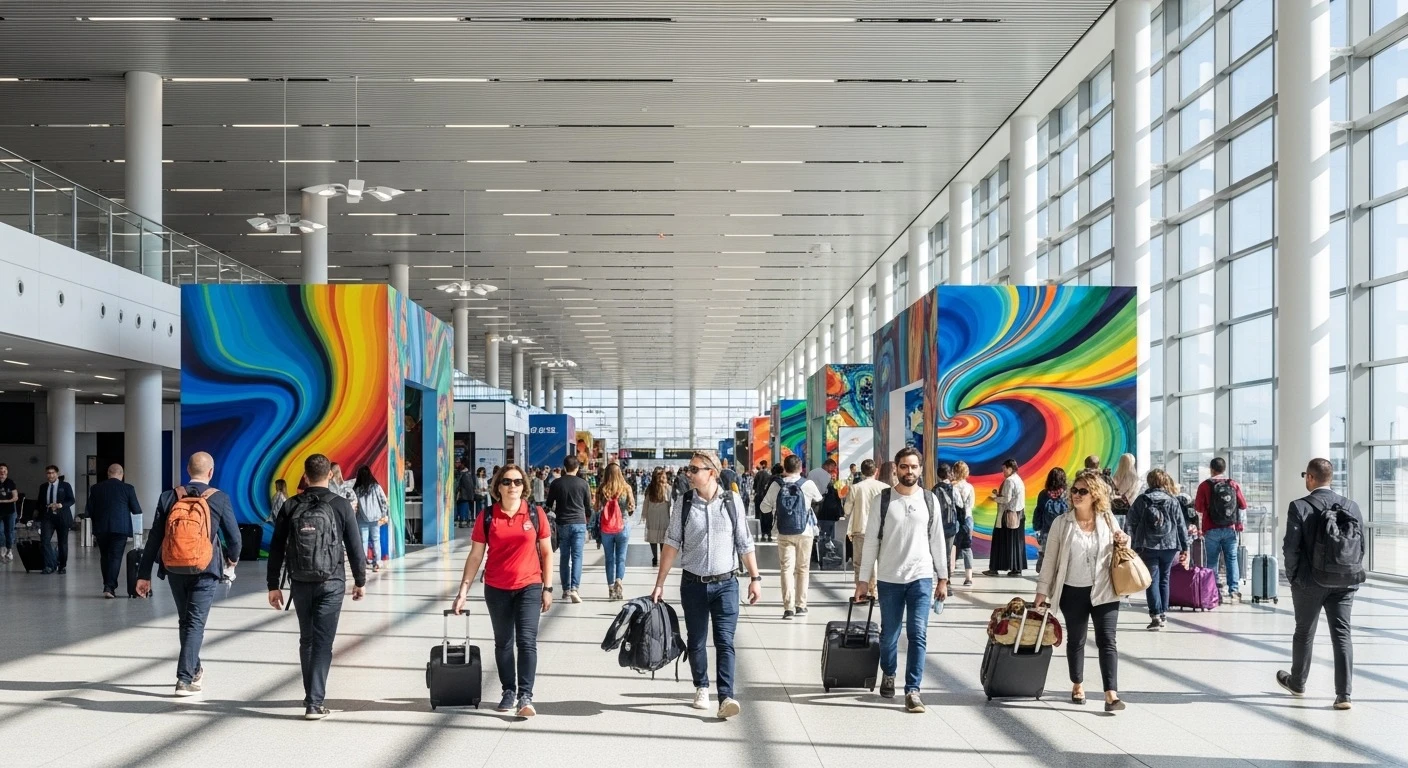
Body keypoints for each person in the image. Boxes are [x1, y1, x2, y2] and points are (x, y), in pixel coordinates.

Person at [650, 450, 760, 720]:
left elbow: (744, 542)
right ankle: (701, 686)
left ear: (711, 472)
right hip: (693, 584)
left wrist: (755, 578)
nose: (689, 474)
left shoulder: (732, 501)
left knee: (725, 641)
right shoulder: (684, 503)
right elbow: (672, 542)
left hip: (726, 584)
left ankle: (726, 696)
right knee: (696, 640)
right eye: (689, 469)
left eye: (694, 469)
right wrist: (660, 583)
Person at [266, 454, 367, 720]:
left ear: (305, 475)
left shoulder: (290, 505)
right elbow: (355, 547)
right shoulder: (341, 505)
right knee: (323, 643)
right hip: (331, 582)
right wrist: (360, 581)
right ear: (330, 475)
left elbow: (276, 548)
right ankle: (315, 702)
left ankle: (311, 695)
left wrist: (273, 585)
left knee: (307, 639)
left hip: (300, 581)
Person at [136, 452, 242, 696]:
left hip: (174, 568)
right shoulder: (219, 499)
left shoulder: (168, 497)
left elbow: (154, 539)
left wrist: (144, 575)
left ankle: (194, 670)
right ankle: (184, 679)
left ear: (187, 469)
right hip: (206, 569)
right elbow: (234, 538)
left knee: (186, 620)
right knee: (194, 622)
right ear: (211, 472)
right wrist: (232, 560)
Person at [451, 463, 552, 717]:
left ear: (524, 486)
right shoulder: (487, 516)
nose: (512, 486)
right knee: (503, 643)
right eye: (507, 482)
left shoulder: (535, 514)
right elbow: (475, 555)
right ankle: (508, 689)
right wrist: (463, 590)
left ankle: (525, 695)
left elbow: (547, 552)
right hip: (496, 587)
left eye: (517, 482)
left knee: (527, 642)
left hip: (529, 584)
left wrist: (548, 587)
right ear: (498, 486)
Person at [854, 447, 949, 713]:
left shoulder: (930, 500)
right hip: (889, 578)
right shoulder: (883, 500)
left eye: (914, 467)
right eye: (904, 467)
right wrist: (863, 580)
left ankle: (913, 690)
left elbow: (937, 540)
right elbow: (871, 541)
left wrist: (943, 577)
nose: (909, 472)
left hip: (921, 577)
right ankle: (889, 672)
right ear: (896, 468)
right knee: (889, 635)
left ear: (920, 468)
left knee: (917, 633)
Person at [1035, 469, 1130, 713]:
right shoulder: (1062, 523)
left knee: (1107, 640)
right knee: (1076, 640)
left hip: (1105, 589)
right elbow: (1050, 560)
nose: (1076, 495)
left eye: (1083, 491)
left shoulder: (1107, 519)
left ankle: (1111, 694)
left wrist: (1122, 540)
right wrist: (1042, 593)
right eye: (1074, 491)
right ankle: (1077, 684)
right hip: (1072, 590)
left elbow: (1122, 545)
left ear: (1095, 495)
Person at [1277, 458, 1366, 711]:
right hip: (1345, 581)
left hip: (1309, 581)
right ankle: (1344, 694)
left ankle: (1298, 683)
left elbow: (1291, 548)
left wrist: (1293, 577)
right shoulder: (1351, 506)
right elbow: (1361, 546)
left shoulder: (1300, 506)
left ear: (1311, 478)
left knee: (1304, 632)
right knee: (1342, 634)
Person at [760, 454, 823, 620]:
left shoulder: (776, 485)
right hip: (805, 532)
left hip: (783, 532)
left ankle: (788, 608)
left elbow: (764, 507)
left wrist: (776, 509)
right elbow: (819, 498)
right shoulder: (807, 484)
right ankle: (801, 605)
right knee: (802, 569)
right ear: (801, 467)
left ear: (784, 468)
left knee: (786, 569)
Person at [1128, 469, 1190, 630]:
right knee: (1165, 578)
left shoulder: (1142, 500)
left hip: (1148, 545)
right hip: (1170, 545)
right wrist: (1185, 547)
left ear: (1149, 481)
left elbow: (1131, 521)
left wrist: (1133, 542)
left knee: (1152, 579)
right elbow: (1181, 525)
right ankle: (1163, 613)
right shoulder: (1172, 500)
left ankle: (1155, 615)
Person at [1194, 456, 1249, 602]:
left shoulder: (1204, 486)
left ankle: (1215, 591)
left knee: (1212, 560)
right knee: (1231, 559)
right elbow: (1243, 505)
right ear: (1224, 469)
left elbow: (1198, 508)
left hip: (1211, 529)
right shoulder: (1232, 484)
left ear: (1211, 469)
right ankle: (1234, 591)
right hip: (1230, 528)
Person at [86, 463, 143, 598]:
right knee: (115, 557)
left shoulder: (95, 488)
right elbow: (137, 509)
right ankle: (109, 587)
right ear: (122, 475)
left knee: (105, 556)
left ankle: (108, 585)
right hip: (120, 528)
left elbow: (89, 511)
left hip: (101, 528)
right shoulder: (128, 488)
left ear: (108, 473)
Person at [545, 455, 593, 603]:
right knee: (577, 556)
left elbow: (548, 504)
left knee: (564, 556)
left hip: (562, 523)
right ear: (577, 467)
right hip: (579, 522)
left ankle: (565, 589)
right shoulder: (583, 484)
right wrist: (588, 521)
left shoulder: (556, 484)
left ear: (564, 468)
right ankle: (574, 588)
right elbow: (588, 507)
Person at [845, 459, 888, 601]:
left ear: (861, 472)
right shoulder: (885, 488)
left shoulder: (855, 488)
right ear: (876, 471)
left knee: (859, 562)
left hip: (860, 529)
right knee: (876, 561)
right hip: (880, 530)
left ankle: (861, 592)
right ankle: (873, 591)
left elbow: (847, 510)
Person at [595, 462, 636, 601]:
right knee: (621, 558)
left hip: (606, 528)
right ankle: (619, 580)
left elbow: (596, 508)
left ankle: (611, 587)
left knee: (609, 558)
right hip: (623, 527)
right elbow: (631, 508)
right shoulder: (626, 488)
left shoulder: (602, 489)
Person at [985, 459, 1028, 577]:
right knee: (1015, 543)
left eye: (1004, 469)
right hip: (1018, 515)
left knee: (999, 542)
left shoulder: (1009, 481)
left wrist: (994, 499)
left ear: (1010, 468)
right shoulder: (1019, 479)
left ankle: (994, 568)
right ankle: (1016, 568)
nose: (1003, 471)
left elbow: (1006, 499)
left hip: (1007, 516)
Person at [37, 464, 76, 574]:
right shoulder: (43, 487)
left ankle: (62, 566)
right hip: (48, 517)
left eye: (53, 473)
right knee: (45, 541)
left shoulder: (65, 485)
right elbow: (40, 502)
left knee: (62, 543)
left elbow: (71, 500)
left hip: (62, 517)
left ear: (57, 474)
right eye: (48, 473)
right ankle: (50, 565)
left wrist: (61, 505)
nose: (50, 475)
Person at [1032, 468, 1070, 575]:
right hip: (1063, 530)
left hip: (1046, 530)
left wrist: (1037, 527)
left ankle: (1044, 573)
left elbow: (1038, 512)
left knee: (1045, 554)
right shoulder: (1067, 495)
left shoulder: (1043, 494)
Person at [353, 465, 389, 572]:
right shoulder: (376, 487)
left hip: (361, 518)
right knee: (376, 539)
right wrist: (383, 513)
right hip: (375, 517)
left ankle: (363, 564)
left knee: (363, 541)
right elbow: (383, 501)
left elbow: (354, 504)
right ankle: (377, 562)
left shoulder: (356, 489)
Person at [951, 461, 977, 586]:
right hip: (967, 518)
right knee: (967, 548)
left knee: (952, 546)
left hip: (954, 519)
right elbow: (971, 505)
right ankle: (968, 578)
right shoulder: (970, 487)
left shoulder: (952, 487)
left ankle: (948, 576)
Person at [642, 468, 672, 567]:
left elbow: (646, 502)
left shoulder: (650, 488)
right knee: (663, 538)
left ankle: (655, 557)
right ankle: (663, 557)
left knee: (653, 537)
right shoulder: (668, 488)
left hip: (652, 515)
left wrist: (644, 515)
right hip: (663, 515)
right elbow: (670, 503)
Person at [1110, 453, 1141, 529]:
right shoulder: (1135, 478)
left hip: (1113, 508)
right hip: (1128, 510)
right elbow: (1131, 496)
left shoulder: (1114, 476)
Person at [752, 461, 775, 541]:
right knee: (768, 516)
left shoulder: (758, 474)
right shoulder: (769, 476)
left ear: (762, 465)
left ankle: (762, 533)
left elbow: (754, 487)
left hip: (759, 497)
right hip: (767, 498)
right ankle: (769, 533)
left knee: (760, 516)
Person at [0, 463, 17, 564]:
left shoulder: (10, 482)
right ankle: (2, 548)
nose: (2, 471)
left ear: (7, 472)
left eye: (4, 469)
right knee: (0, 531)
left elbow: (15, 497)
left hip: (9, 511)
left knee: (9, 531)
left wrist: (3, 501)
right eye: (0, 469)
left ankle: (9, 549)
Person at [454, 460, 473, 528]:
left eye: (458, 463)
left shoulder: (465, 474)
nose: (456, 464)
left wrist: (470, 497)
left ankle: (464, 521)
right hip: (461, 496)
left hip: (463, 496)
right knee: (462, 509)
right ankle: (462, 521)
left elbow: (468, 487)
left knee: (463, 509)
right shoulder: (460, 473)